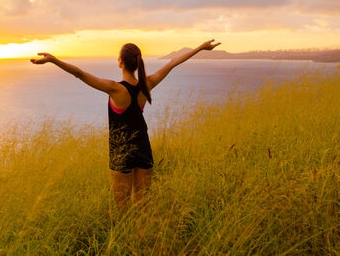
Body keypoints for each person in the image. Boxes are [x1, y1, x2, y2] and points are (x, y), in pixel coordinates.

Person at [30, 39, 221, 214]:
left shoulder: (115, 88)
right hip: (143, 147)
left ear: (120, 61)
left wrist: (54, 60)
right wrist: (201, 48)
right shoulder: (147, 84)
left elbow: (79, 74)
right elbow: (172, 64)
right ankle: (141, 241)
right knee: (142, 205)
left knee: (123, 209)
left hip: (121, 150)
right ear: (137, 63)